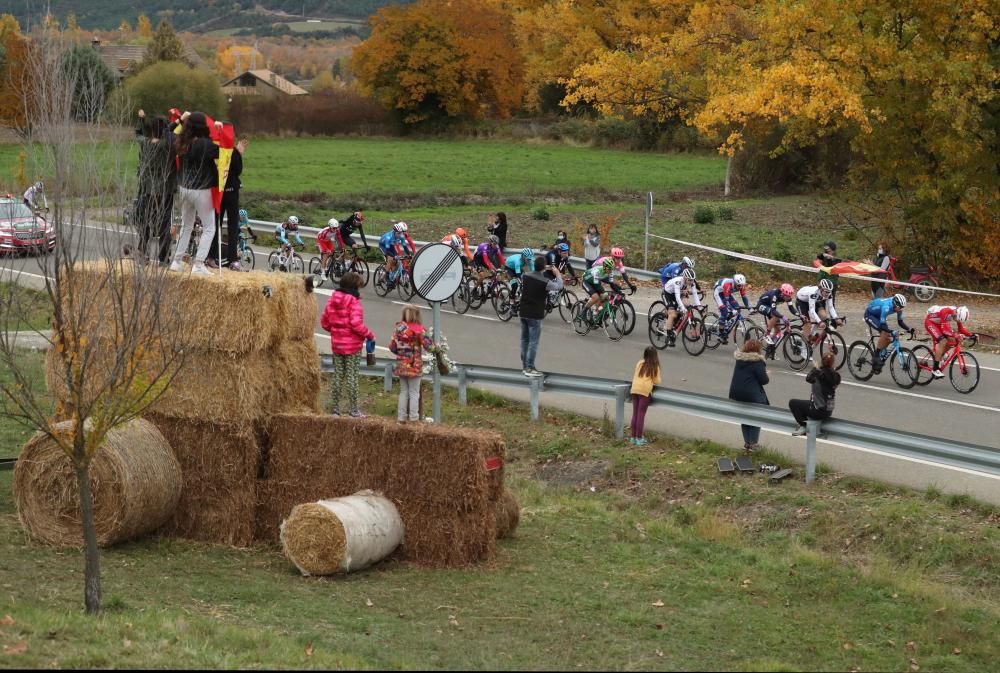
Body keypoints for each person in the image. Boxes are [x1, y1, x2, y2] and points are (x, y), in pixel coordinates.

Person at [170, 111, 220, 276]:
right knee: (209, 228)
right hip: (202, 190)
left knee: (186, 225)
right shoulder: (205, 144)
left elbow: (170, 132)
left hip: (184, 187)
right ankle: (198, 263)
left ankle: (176, 261)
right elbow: (223, 152)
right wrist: (218, 132)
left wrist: (180, 120)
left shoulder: (181, 141)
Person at [320, 272, 374, 418]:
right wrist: (369, 334)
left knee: (338, 376)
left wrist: (336, 331)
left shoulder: (331, 301)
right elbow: (356, 325)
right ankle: (354, 410)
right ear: (354, 287)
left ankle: (335, 409)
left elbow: (324, 322)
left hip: (337, 345)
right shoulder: (354, 302)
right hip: (352, 347)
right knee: (351, 377)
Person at [134, 113, 176, 265]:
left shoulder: (145, 143)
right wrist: (178, 122)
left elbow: (138, 133)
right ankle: (163, 257)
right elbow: (172, 136)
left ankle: (142, 252)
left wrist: (141, 120)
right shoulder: (167, 145)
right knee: (164, 224)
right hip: (165, 190)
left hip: (146, 189)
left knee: (145, 223)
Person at [207, 136, 249, 270]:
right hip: (230, 192)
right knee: (231, 226)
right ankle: (232, 260)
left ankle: (211, 257)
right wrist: (238, 153)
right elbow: (238, 170)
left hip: (218, 191)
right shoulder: (232, 151)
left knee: (215, 225)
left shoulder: (214, 147)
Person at [519, 255, 563, 377]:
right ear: (544, 267)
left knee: (524, 340)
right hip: (535, 314)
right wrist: (557, 274)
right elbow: (559, 286)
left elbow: (535, 272)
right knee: (533, 342)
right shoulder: (545, 282)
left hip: (523, 312)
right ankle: (530, 367)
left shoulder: (525, 276)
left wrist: (544, 268)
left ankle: (524, 366)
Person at [389, 304, 434, 423]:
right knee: (414, 393)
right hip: (415, 365)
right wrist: (436, 347)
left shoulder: (398, 328)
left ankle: (401, 418)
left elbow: (392, 347)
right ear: (417, 315)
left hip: (401, 365)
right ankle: (414, 418)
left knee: (403, 392)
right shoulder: (419, 329)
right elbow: (429, 346)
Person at [728, 339, 770, 452]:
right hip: (751, 395)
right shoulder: (757, 361)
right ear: (757, 349)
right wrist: (766, 373)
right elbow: (764, 380)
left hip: (736, 393)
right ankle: (754, 444)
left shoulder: (740, 359)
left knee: (745, 417)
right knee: (756, 417)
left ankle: (747, 443)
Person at [790, 352, 841, 435]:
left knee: (793, 403)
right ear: (832, 363)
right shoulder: (836, 376)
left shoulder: (818, 374)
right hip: (829, 410)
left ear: (822, 361)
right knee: (812, 400)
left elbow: (808, 378)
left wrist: (815, 368)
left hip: (818, 410)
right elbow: (831, 381)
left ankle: (804, 425)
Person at [863, 293, 915, 374]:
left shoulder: (898, 308)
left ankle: (879, 357)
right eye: (900, 307)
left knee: (888, 338)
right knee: (885, 332)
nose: (900, 309)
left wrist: (909, 329)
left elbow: (900, 322)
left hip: (879, 315)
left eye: (902, 307)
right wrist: (891, 331)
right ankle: (876, 357)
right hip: (870, 315)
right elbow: (883, 325)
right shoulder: (886, 307)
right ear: (895, 304)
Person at [923, 305, 975, 379]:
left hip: (942, 322)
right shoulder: (946, 311)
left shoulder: (957, 314)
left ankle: (940, 354)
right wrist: (956, 335)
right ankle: (935, 369)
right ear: (956, 313)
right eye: (956, 319)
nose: (956, 321)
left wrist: (971, 335)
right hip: (931, 322)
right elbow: (944, 330)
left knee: (953, 341)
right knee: (943, 341)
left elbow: (961, 329)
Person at [795, 279, 839, 359]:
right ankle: (804, 349)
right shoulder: (813, 292)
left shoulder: (828, 293)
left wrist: (836, 318)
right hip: (802, 302)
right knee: (807, 324)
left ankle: (811, 336)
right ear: (820, 289)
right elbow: (812, 310)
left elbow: (831, 307)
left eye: (829, 292)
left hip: (815, 301)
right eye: (826, 292)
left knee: (824, 317)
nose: (827, 294)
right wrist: (819, 322)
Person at [660, 268, 701, 346]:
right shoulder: (678, 282)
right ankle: (668, 337)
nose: (691, 282)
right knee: (673, 314)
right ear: (685, 278)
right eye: (689, 280)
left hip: (678, 293)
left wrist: (699, 307)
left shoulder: (691, 282)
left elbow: (695, 294)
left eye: (693, 280)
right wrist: (682, 308)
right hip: (668, 294)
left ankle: (674, 324)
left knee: (688, 306)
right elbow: (678, 298)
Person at [630, 347, 661, 446]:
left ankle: (633, 437)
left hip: (635, 389)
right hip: (644, 391)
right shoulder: (654, 366)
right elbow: (657, 381)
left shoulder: (640, 363)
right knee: (641, 414)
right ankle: (639, 438)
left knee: (635, 413)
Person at [713, 273, 750, 339]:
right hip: (718, 293)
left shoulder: (741, 285)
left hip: (727, 293)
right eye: (739, 286)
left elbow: (744, 297)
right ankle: (721, 331)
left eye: (742, 285)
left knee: (738, 309)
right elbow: (726, 301)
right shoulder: (728, 284)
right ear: (734, 283)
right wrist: (732, 310)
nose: (740, 287)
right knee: (724, 311)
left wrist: (749, 308)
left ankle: (725, 321)